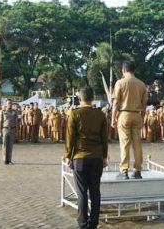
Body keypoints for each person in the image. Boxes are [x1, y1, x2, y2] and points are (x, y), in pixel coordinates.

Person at [65, 87, 108, 229]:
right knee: (95, 192)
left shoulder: (75, 113)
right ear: (93, 98)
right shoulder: (100, 115)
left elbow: (70, 137)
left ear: (79, 98)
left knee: (82, 192)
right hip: (96, 157)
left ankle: (82, 224)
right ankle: (93, 223)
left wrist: (68, 156)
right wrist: (104, 157)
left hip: (80, 157)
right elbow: (104, 138)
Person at [111, 61, 147, 180]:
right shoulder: (141, 84)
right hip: (137, 114)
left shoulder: (120, 83)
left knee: (125, 143)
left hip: (124, 114)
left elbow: (116, 103)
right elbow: (144, 104)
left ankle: (124, 171)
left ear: (124, 70)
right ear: (133, 70)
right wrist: (142, 116)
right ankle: (137, 170)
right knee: (137, 144)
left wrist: (113, 118)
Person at [0, 99, 18, 164]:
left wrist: (16, 130)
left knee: (10, 145)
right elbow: (0, 122)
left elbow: (16, 122)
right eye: (8, 103)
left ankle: (9, 159)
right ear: (6, 104)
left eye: (11, 103)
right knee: (5, 145)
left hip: (12, 129)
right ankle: (5, 159)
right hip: (5, 129)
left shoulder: (14, 112)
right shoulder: (2, 112)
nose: (10, 104)